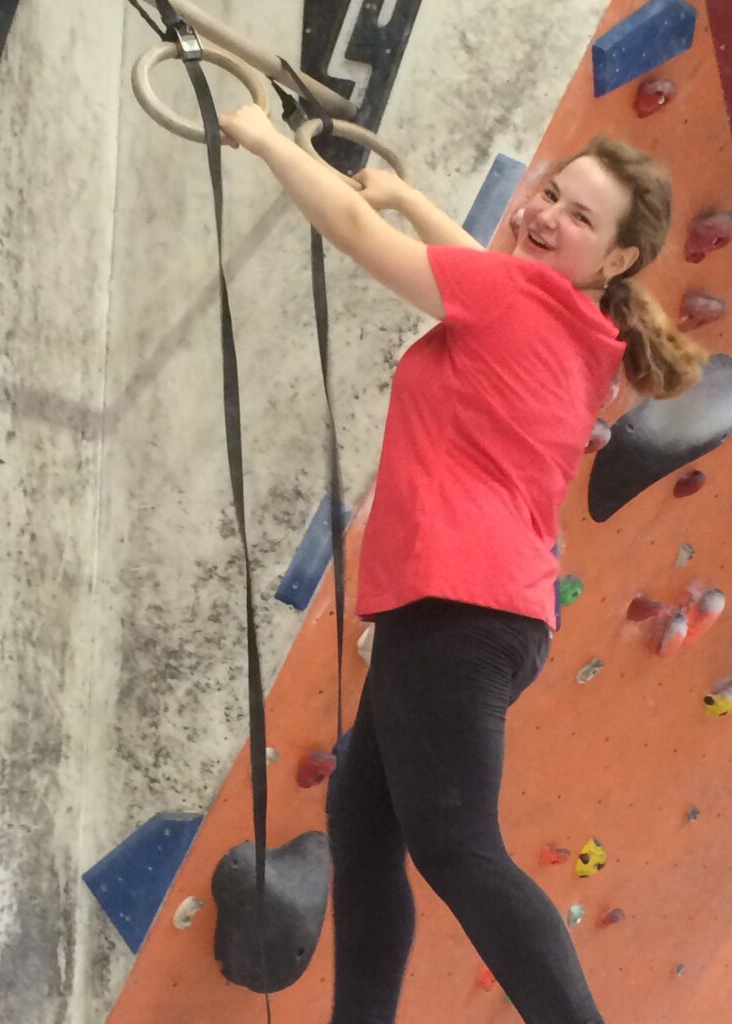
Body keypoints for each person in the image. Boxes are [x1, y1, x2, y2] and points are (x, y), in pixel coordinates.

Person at [217, 105, 708, 1024]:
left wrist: (264, 137)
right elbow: (493, 269)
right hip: (480, 616)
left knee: (455, 847)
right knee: (364, 831)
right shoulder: (582, 330)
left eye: (579, 219)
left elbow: (355, 230)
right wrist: (405, 190)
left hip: (458, 609)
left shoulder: (518, 301)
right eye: (550, 193)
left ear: (614, 264)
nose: (545, 215)